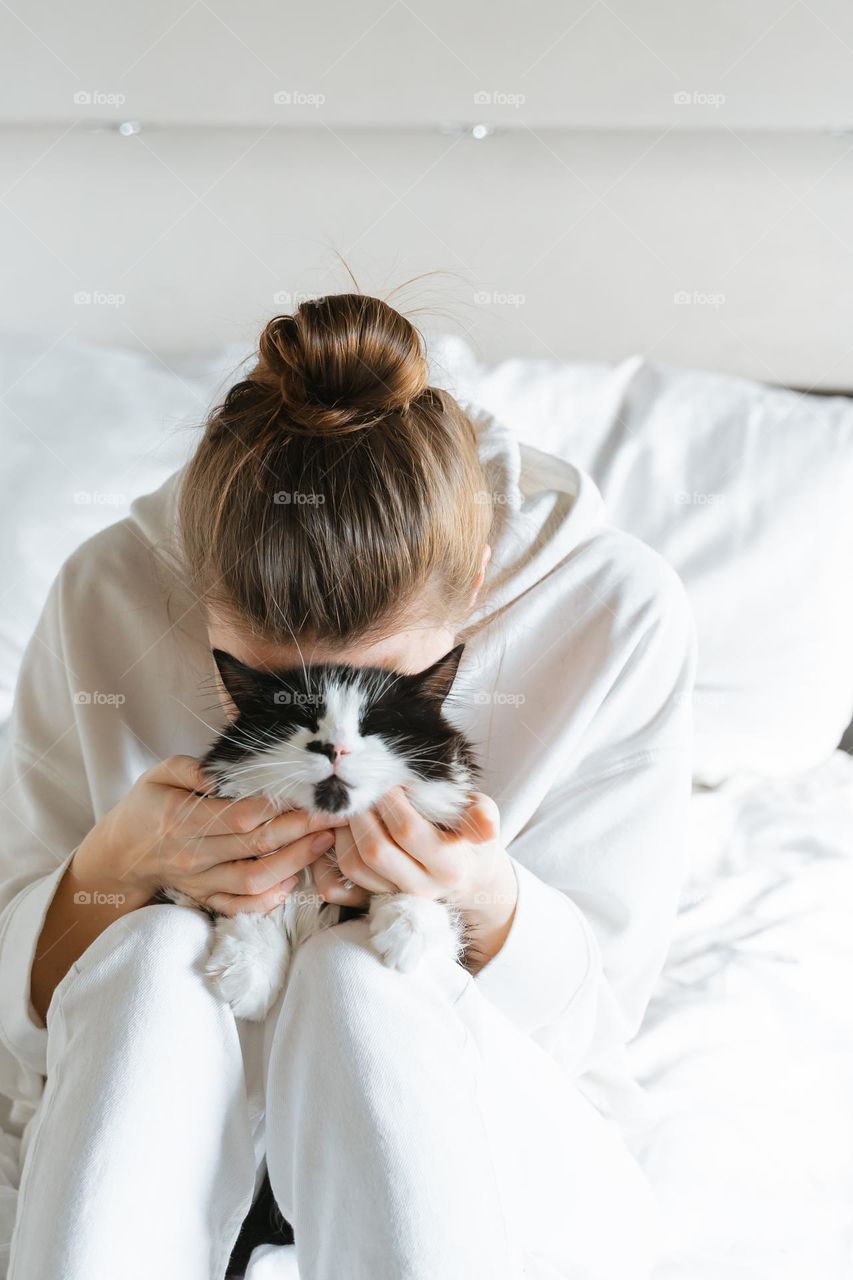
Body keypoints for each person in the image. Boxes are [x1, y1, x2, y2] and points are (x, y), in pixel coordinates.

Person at [0, 293, 695, 1280]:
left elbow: (593, 1023)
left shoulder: (614, 611)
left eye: (383, 688)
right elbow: (10, 1002)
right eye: (261, 685)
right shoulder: (108, 588)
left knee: (358, 975)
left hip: (484, 1134)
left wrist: (484, 900)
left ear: (478, 585)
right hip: (160, 1119)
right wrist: (112, 869)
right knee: (154, 948)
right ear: (197, 591)